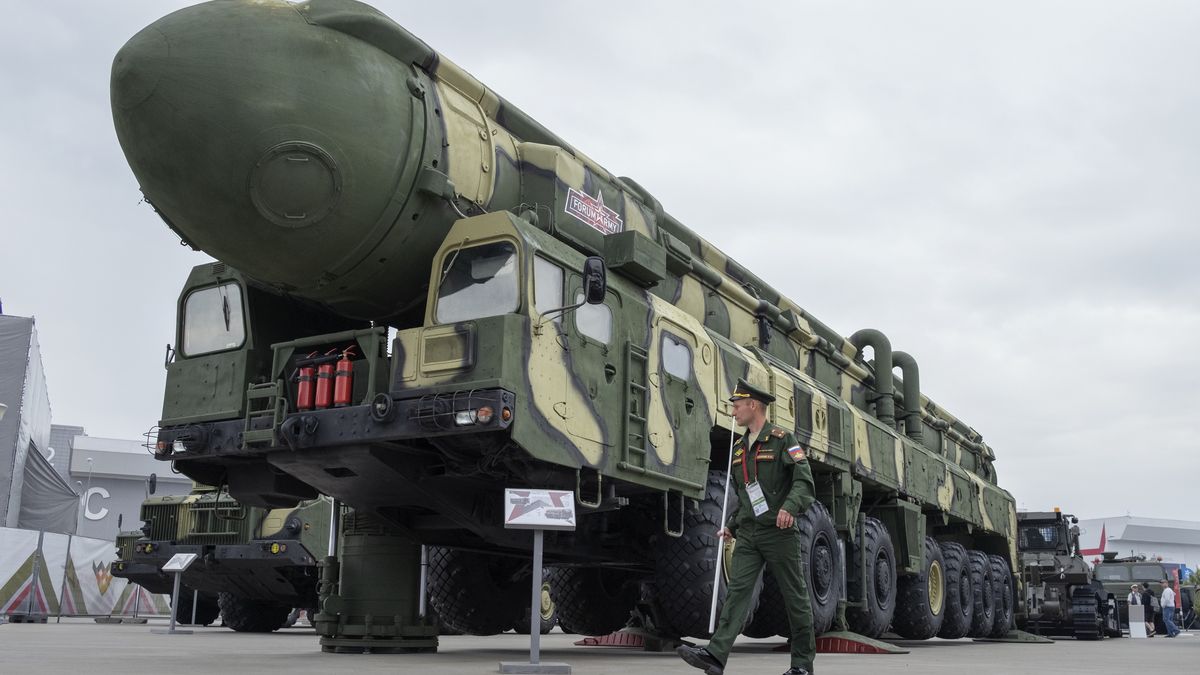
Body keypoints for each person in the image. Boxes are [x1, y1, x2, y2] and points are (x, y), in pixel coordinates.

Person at [676, 378, 817, 675]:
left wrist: (790, 508)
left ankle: (802, 665)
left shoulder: (782, 440)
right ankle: (715, 656)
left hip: (779, 533)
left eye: (737, 406)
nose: (733, 412)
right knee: (737, 593)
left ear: (754, 405)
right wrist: (731, 525)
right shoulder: (739, 448)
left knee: (795, 598)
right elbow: (745, 494)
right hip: (750, 534)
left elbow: (804, 481)